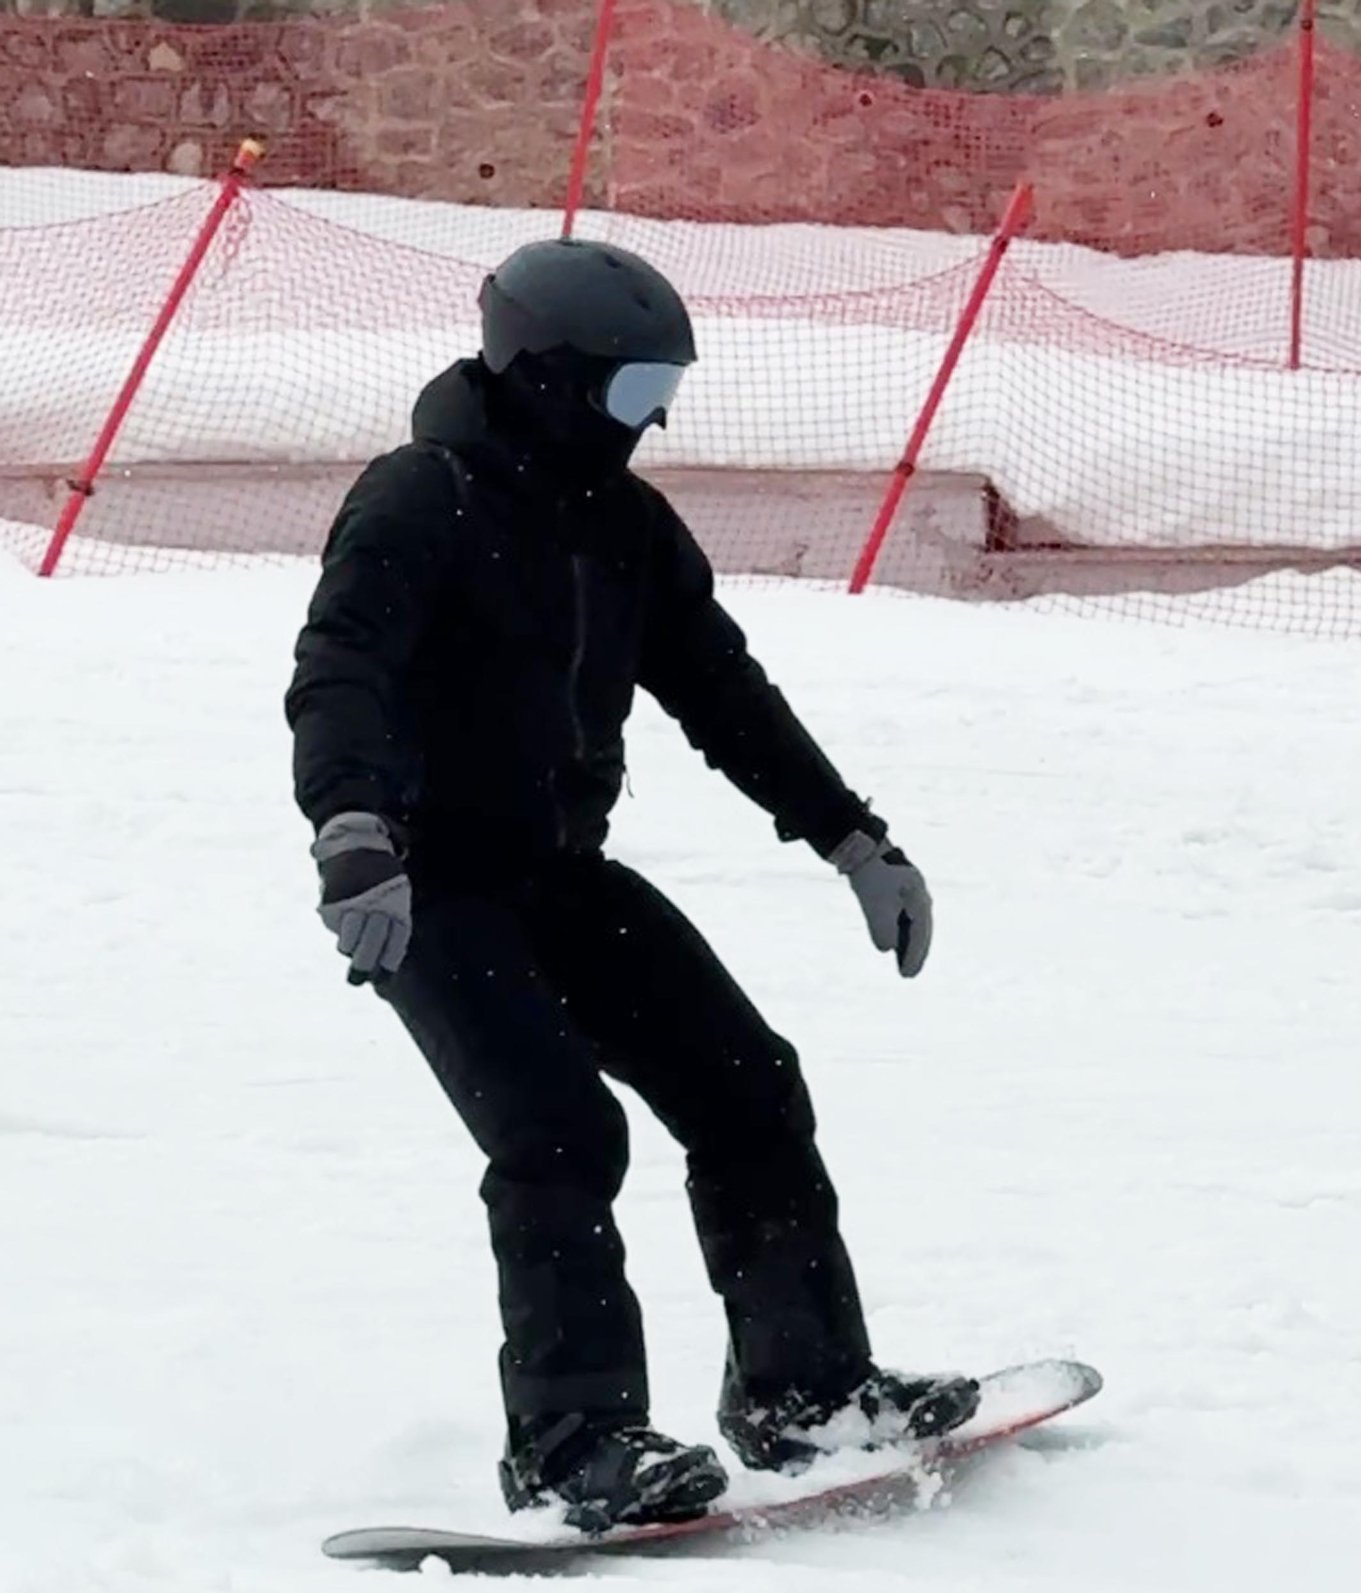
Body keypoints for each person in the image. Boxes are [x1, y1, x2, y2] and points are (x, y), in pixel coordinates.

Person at [284, 238, 978, 1532]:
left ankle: (804, 1392)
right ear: (542, 373)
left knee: (749, 1087)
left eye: (666, 388)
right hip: (425, 887)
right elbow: (342, 670)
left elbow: (723, 691)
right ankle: (572, 1444)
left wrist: (851, 837)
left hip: (562, 873)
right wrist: (352, 833)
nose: (651, 418)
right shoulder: (421, 499)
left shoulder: (624, 525)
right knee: (556, 1132)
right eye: (632, 387)